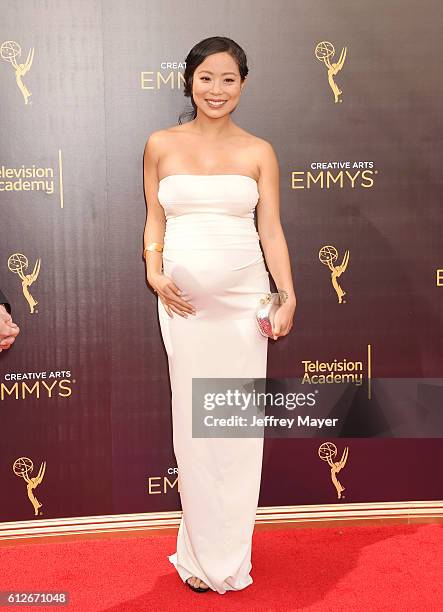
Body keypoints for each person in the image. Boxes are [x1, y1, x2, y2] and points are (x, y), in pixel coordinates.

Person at [143, 36, 296, 594]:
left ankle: (228, 558)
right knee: (193, 428)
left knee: (233, 427)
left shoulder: (260, 151)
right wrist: (154, 272)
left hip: (242, 307)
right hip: (185, 309)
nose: (216, 90)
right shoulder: (160, 144)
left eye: (228, 79)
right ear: (189, 81)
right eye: (206, 78)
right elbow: (154, 222)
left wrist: (288, 292)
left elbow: (271, 230)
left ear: (243, 85)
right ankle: (199, 552)